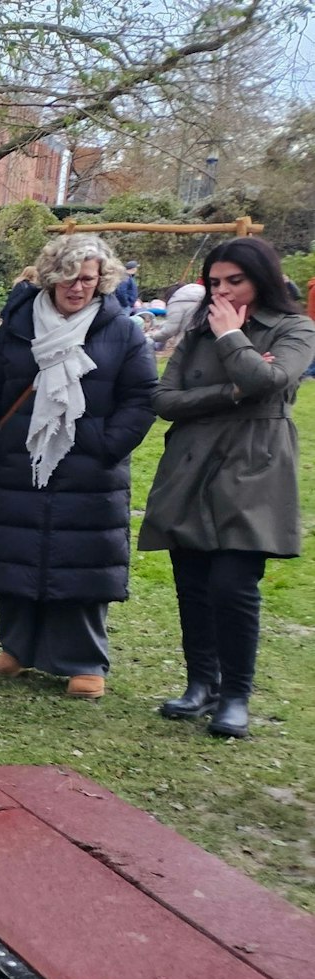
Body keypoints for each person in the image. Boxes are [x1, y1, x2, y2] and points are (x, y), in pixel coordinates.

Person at [0, 234, 157, 701]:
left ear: (101, 280)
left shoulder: (122, 331)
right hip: (19, 457)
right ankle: (18, 648)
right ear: (51, 277)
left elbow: (142, 398)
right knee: (17, 554)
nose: (78, 287)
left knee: (82, 562)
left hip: (90, 467)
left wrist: (105, 445)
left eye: (87, 278)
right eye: (68, 277)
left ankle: (82, 661)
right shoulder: (16, 327)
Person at [138, 237, 314, 738]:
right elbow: (165, 399)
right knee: (192, 582)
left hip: (255, 465)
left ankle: (236, 695)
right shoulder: (199, 329)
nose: (223, 291)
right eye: (215, 282)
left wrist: (234, 339)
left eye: (234, 280)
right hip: (191, 463)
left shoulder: (295, 327)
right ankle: (201, 685)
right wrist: (231, 390)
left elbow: (270, 382)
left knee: (233, 586)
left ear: (262, 278)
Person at [150, 281, 205, 348]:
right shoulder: (204, 294)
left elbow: (170, 330)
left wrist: (151, 336)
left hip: (189, 345)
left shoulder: (177, 302)